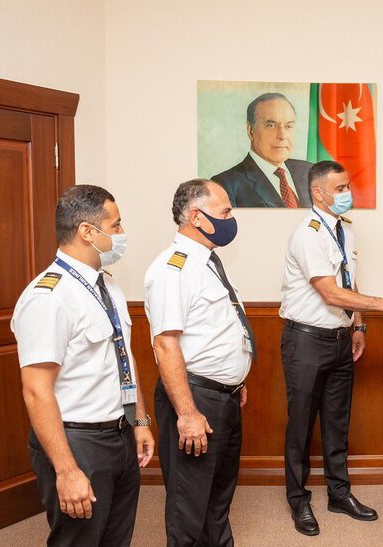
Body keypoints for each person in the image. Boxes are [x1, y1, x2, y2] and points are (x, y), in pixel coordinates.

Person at [12, 184, 154, 546]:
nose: (122, 234)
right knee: (79, 539)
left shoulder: (108, 287)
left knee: (115, 537)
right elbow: (36, 389)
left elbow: (124, 358)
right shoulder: (49, 296)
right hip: (77, 442)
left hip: (119, 433)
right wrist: (66, 469)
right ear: (88, 232)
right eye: (117, 225)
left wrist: (139, 421)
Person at [279, 160, 383, 536]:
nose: (347, 194)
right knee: (301, 426)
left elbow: (349, 284)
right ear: (318, 194)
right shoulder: (307, 233)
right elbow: (329, 291)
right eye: (339, 189)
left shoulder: (345, 230)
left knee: (338, 424)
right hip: (305, 340)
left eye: (347, 186)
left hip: (340, 339)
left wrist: (359, 325)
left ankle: (340, 493)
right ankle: (299, 501)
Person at [144, 179, 253, 546]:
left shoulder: (207, 261)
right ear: (196, 216)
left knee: (218, 497)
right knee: (189, 505)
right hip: (195, 400)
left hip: (223, 398)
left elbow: (217, 330)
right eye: (224, 212)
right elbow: (166, 344)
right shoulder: (172, 269)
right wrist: (187, 414)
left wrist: (235, 380)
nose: (230, 219)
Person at [211, 92, 313, 208]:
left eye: (288, 126)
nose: (282, 135)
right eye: (271, 125)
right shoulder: (226, 185)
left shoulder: (311, 172)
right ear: (250, 131)